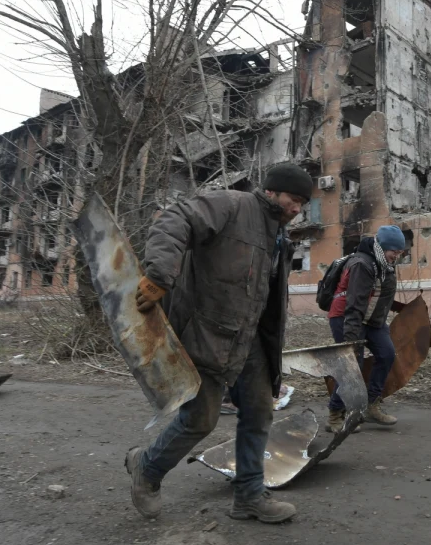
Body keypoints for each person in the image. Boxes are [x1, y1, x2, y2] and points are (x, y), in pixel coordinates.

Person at [124, 162, 313, 524]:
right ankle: (146, 469)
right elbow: (175, 218)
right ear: (271, 191)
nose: (297, 208)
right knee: (200, 419)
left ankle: (249, 497)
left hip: (250, 340)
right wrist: (160, 274)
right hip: (206, 334)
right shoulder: (231, 205)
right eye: (293, 199)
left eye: (302, 203)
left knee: (259, 412)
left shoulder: (278, 236)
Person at [325, 225, 406, 433]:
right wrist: (351, 341)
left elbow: (381, 296)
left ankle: (370, 405)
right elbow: (355, 304)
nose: (397, 256)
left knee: (387, 354)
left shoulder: (384, 263)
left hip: (370, 319)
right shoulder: (362, 264)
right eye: (394, 251)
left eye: (400, 252)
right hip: (346, 318)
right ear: (383, 246)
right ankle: (335, 414)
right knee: (352, 365)